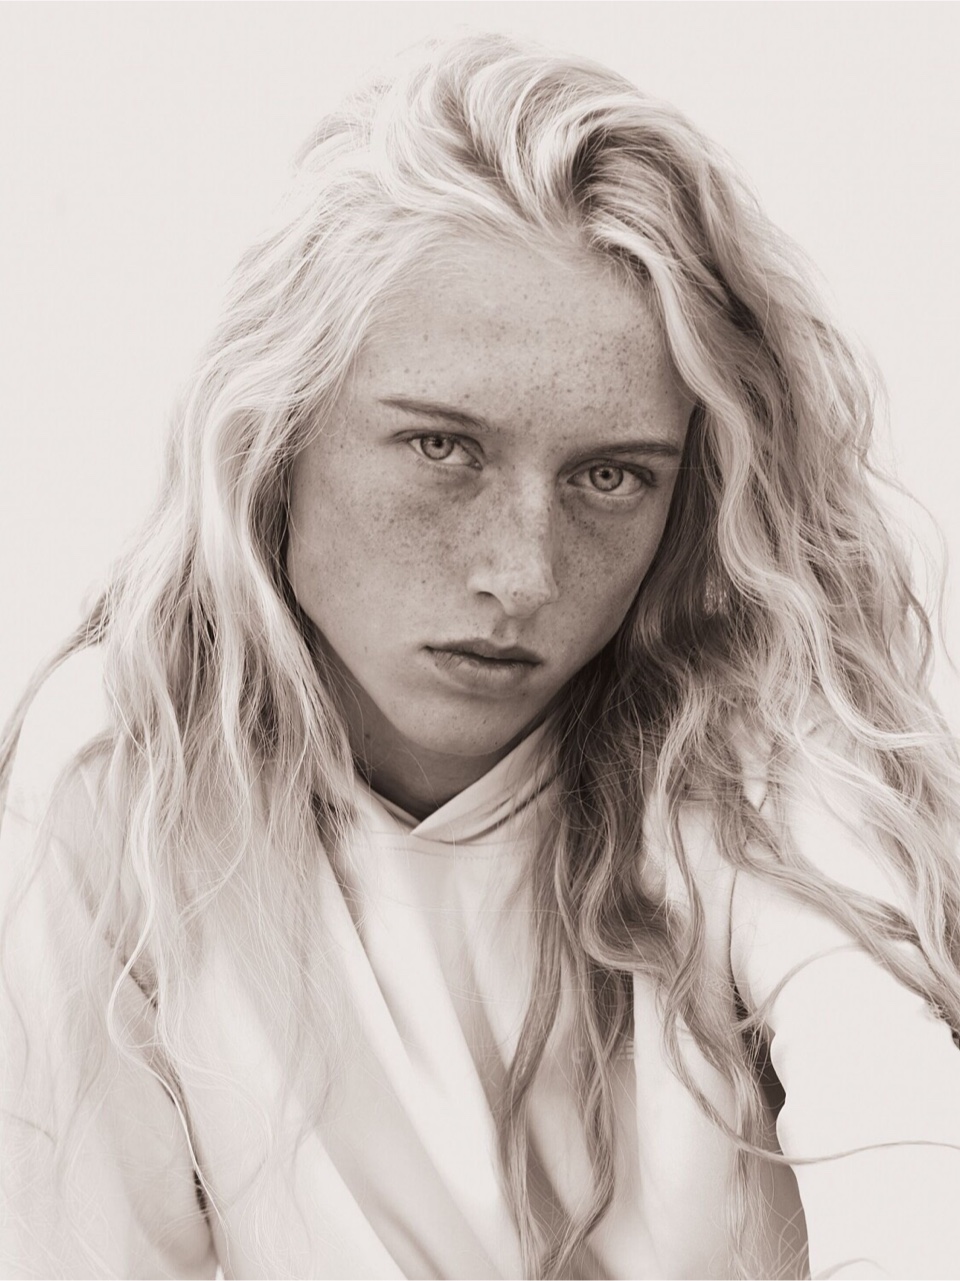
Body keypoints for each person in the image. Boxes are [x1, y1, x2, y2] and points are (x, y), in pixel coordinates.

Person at [2, 30, 959, 1281]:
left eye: (611, 478)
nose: (524, 575)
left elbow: (913, 1153)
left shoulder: (754, 740)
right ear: (279, 437)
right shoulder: (113, 784)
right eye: (442, 449)